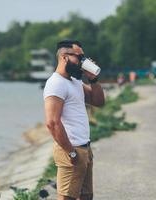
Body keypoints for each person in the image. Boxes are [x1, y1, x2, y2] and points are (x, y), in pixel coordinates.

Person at [43, 40, 105, 200]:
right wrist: (70, 152)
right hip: (71, 150)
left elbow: (98, 102)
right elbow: (52, 123)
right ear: (64, 57)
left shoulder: (75, 81)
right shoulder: (56, 83)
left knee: (86, 196)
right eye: (80, 57)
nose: (83, 62)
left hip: (84, 148)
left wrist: (93, 80)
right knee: (67, 198)